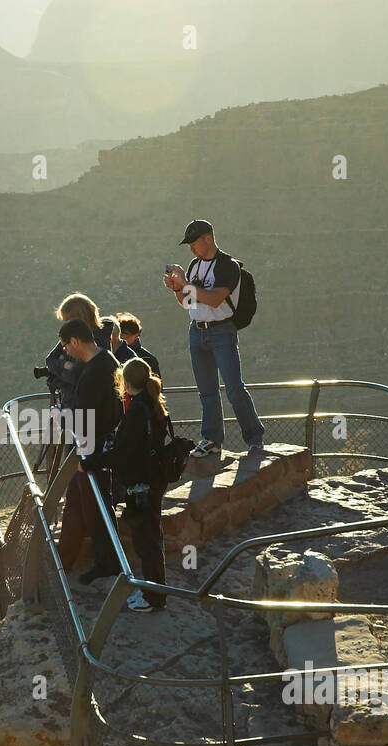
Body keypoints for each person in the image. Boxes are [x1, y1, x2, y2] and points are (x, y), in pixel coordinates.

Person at [163, 219, 264, 458]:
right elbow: (187, 302)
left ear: (208, 238)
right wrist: (177, 288)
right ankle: (212, 439)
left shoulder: (227, 266)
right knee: (206, 391)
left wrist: (186, 283)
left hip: (222, 331)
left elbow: (215, 299)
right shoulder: (195, 265)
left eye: (194, 243)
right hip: (196, 330)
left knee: (234, 388)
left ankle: (254, 439)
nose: (191, 248)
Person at [83, 357, 169, 612]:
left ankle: (153, 598)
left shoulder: (136, 412)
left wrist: (89, 463)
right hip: (153, 481)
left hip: (139, 486)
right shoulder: (153, 405)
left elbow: (122, 454)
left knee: (146, 543)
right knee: (152, 540)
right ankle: (155, 592)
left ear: (126, 382)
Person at [54, 317, 124, 584]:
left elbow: (87, 416)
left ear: (75, 341)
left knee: (97, 506)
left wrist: (62, 417)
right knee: (78, 503)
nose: (65, 352)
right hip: (97, 444)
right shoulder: (106, 361)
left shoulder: (95, 371)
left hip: (92, 447)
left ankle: (108, 564)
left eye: (65, 346)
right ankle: (65, 560)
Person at [41, 293, 113, 411]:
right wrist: (65, 365)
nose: (66, 325)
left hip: (88, 410)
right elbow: (50, 360)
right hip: (69, 404)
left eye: (68, 320)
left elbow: (79, 377)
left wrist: (58, 378)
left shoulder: (99, 342)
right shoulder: (71, 336)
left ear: (80, 317)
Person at [118, 313, 161, 379]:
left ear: (136, 336)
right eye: (120, 333)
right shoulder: (110, 355)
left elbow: (155, 386)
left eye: (126, 334)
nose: (122, 337)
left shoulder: (147, 359)